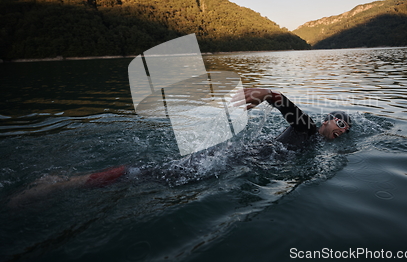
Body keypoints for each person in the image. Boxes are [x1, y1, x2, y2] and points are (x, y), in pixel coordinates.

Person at [8, 88, 351, 207]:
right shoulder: (307, 129)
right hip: (235, 158)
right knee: (154, 176)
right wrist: (269, 95)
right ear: (325, 122)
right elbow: (287, 106)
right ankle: (59, 183)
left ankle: (76, 182)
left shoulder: (316, 145)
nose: (342, 128)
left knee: (158, 178)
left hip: (236, 160)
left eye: (346, 127)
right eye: (339, 122)